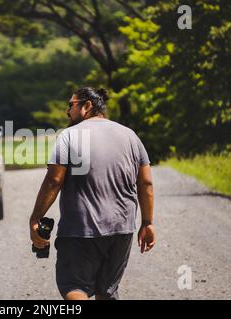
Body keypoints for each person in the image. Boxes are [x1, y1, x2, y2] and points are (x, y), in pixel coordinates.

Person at [29, 87, 155, 300]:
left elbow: (54, 180)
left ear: (86, 106)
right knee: (107, 291)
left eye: (71, 105)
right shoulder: (130, 136)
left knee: (75, 287)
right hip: (121, 230)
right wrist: (147, 222)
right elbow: (146, 183)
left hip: (80, 230)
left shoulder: (69, 136)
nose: (67, 112)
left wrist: (35, 218)